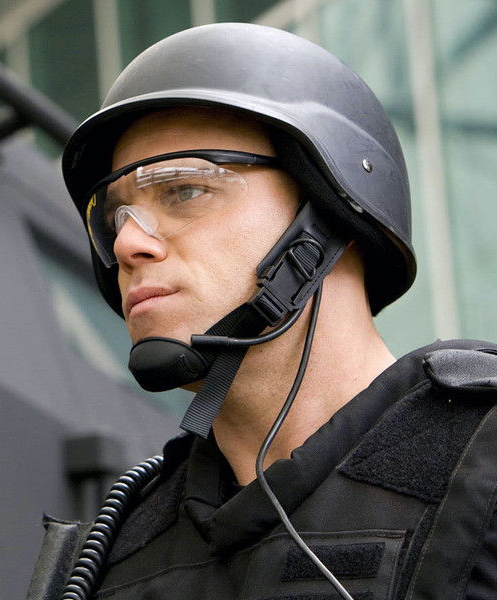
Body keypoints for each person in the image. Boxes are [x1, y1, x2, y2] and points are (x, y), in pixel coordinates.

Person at [50, 23, 497, 600]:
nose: (127, 244)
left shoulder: (482, 456)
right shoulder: (114, 551)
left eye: (183, 190)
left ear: (330, 217)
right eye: (115, 218)